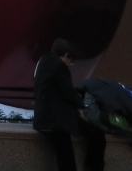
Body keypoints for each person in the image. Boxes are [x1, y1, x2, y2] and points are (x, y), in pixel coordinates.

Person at [33, 39, 105, 171]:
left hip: (42, 118)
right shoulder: (59, 66)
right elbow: (68, 93)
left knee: (65, 158)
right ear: (66, 55)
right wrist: (82, 106)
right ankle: (93, 167)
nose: (70, 63)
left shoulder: (42, 62)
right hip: (56, 121)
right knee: (68, 162)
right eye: (71, 61)